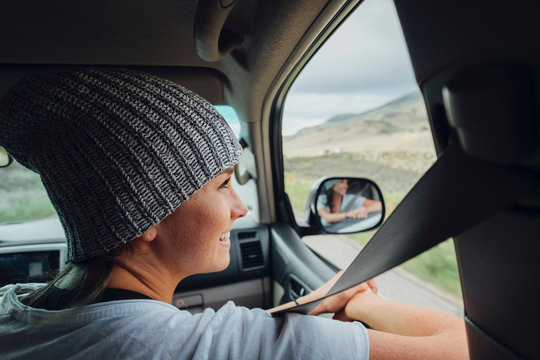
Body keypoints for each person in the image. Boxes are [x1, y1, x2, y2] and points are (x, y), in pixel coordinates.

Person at [0, 69, 468, 359]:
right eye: (223, 185)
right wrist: (362, 303)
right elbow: (470, 349)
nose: (240, 208)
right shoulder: (210, 347)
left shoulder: (13, 307)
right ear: (142, 215)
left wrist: (315, 302)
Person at [317, 179, 383, 226]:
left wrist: (366, 210)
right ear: (332, 185)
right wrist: (350, 214)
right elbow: (328, 217)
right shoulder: (321, 200)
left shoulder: (351, 198)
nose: (346, 186)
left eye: (346, 183)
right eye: (342, 182)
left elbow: (380, 205)